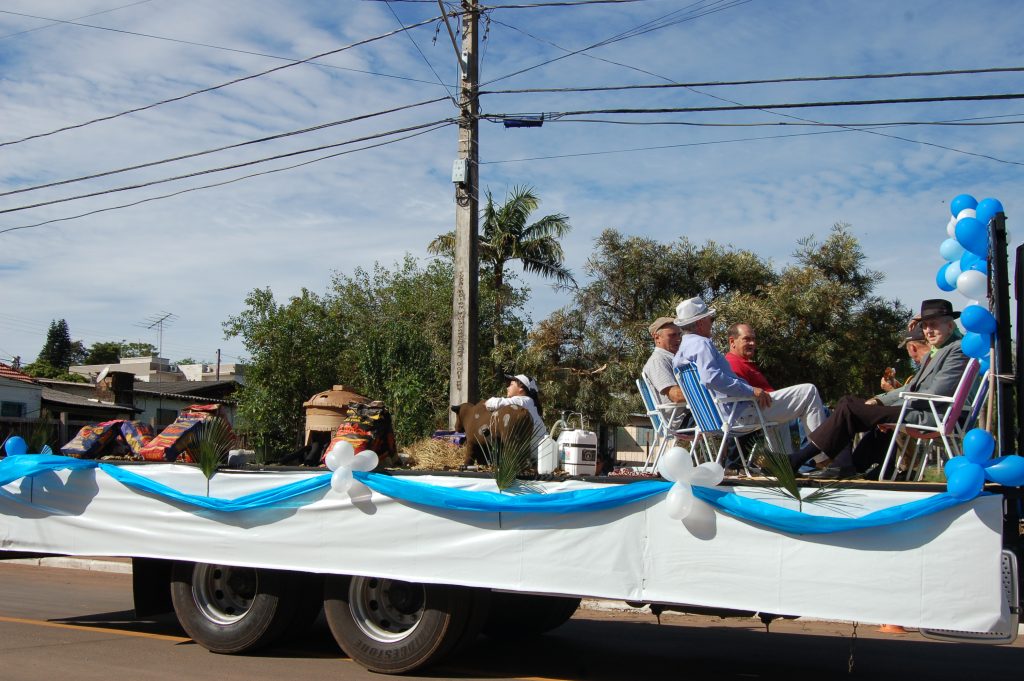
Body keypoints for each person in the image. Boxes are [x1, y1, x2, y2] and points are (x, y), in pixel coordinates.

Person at [789, 299, 968, 479]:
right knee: (847, 402)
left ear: (950, 326)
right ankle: (847, 464)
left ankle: (805, 460)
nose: (928, 331)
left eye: (934, 325)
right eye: (925, 326)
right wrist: (879, 400)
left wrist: (885, 410)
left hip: (933, 415)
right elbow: (910, 387)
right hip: (917, 408)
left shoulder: (957, 350)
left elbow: (936, 394)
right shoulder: (934, 353)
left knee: (849, 407)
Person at [671, 297, 827, 443]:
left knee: (776, 410)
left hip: (716, 417)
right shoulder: (701, 343)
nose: (712, 323)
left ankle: (783, 460)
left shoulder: (680, 353)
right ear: (700, 323)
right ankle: (821, 454)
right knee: (809, 392)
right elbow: (711, 378)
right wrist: (751, 390)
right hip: (737, 414)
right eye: (711, 319)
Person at [485, 373, 547, 448]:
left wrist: (485, 403)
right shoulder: (529, 402)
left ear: (521, 389)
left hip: (539, 453)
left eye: (511, 384)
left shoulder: (523, 401)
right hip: (543, 450)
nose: (507, 387)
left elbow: (493, 403)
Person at [724, 323, 774, 393]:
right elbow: (741, 394)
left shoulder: (743, 363)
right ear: (732, 342)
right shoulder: (733, 363)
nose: (752, 343)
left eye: (753, 339)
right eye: (746, 339)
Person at [880, 326, 929, 392]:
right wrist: (898, 387)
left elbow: (924, 397)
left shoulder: (928, 368)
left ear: (912, 347)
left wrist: (891, 390)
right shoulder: (938, 360)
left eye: (907, 349)